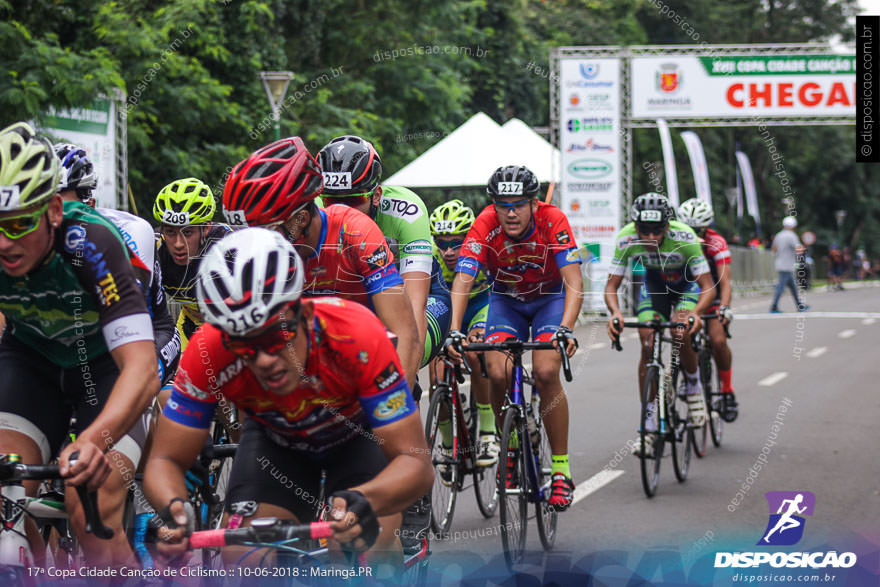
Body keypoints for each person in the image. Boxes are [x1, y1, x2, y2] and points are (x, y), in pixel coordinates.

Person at [143, 228, 433, 569]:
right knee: (243, 556)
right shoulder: (208, 349)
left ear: (304, 312)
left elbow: (416, 465)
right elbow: (165, 460)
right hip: (275, 442)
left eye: (275, 336)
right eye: (244, 345)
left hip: (355, 435)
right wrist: (172, 510)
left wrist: (366, 500)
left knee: (368, 545)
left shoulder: (355, 333)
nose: (264, 359)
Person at [0, 123, 160, 566]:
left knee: (88, 501)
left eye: (18, 224)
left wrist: (93, 439)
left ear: (53, 209)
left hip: (106, 369)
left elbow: (142, 367)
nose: (4, 242)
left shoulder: (89, 241)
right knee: (3, 492)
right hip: (31, 363)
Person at [221, 136, 420, 389]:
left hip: (366, 349)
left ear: (301, 219)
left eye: (266, 232)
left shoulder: (356, 231)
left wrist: (394, 408)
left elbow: (405, 333)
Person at [446, 165, 582, 511]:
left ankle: (562, 471)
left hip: (549, 300)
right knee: (497, 369)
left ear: (534, 204)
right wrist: (455, 331)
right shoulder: (486, 222)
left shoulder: (553, 219)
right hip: (506, 300)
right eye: (502, 204)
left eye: (518, 204)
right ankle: (512, 442)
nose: (510, 212)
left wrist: (566, 327)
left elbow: (573, 281)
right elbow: (463, 278)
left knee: (547, 372)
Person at [316, 135, 448, 388]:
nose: (343, 212)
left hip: (416, 295)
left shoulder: (406, 210)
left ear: (376, 195)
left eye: (354, 201)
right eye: (332, 201)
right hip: (359, 294)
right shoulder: (313, 208)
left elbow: (414, 307)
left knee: (397, 361)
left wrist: (402, 394)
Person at [55, 143, 180, 386]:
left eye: (63, 206)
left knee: (132, 387)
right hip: (77, 343)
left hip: (148, 331)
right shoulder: (25, 238)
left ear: (89, 206)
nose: (53, 218)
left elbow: (129, 325)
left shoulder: (130, 232)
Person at [605, 193, 716, 457]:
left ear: (668, 226)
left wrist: (697, 313)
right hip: (655, 291)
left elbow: (707, 285)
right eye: (645, 232)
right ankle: (650, 424)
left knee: (681, 329)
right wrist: (615, 313)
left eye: (657, 232)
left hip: (686, 287)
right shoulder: (626, 237)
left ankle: (693, 386)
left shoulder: (685, 236)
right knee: (647, 342)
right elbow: (611, 286)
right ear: (636, 227)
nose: (652, 238)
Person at [429, 199, 496, 468]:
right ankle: (447, 444)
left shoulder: (481, 250)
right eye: (441, 243)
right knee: (436, 373)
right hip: (446, 308)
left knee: (477, 352)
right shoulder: (430, 256)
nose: (447, 251)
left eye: (456, 242)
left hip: (481, 305)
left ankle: (488, 434)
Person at [677, 199, 738, 422]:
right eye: (689, 229)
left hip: (711, 293)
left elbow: (726, 280)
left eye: (698, 230)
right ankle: (688, 376)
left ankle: (727, 390)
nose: (693, 234)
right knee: (681, 332)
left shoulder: (716, 242)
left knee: (718, 340)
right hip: (686, 295)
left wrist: (724, 307)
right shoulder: (674, 239)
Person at [153, 177, 231, 349]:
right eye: (170, 232)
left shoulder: (231, 247)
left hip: (234, 331)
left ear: (207, 228)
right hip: (190, 327)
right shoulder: (154, 248)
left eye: (188, 232)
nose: (178, 244)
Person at [770, 217, 808, 313]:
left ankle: (800, 305)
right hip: (787, 265)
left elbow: (774, 249)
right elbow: (798, 249)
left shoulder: (778, 235)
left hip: (780, 263)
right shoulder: (792, 236)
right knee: (781, 287)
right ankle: (774, 306)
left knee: (793, 287)